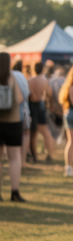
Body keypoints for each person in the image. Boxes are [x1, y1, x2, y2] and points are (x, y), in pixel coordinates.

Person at [0, 51, 25, 201]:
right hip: (13, 121)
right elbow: (20, 98)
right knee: (14, 158)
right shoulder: (12, 78)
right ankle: (14, 192)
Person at [27, 62, 55, 163]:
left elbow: (31, 96)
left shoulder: (30, 80)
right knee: (46, 132)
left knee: (32, 134)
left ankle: (34, 156)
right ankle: (50, 153)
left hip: (33, 107)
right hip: (41, 106)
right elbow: (50, 93)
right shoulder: (45, 81)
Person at [11, 58, 31, 167]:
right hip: (24, 110)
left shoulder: (10, 75)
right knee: (24, 136)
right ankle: (22, 162)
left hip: (12, 111)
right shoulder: (22, 77)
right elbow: (27, 94)